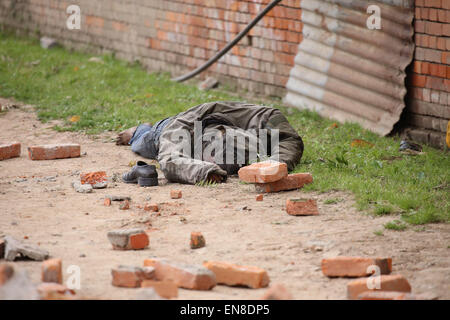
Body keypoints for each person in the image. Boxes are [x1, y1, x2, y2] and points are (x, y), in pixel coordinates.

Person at [117, 101, 304, 185]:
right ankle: (137, 129)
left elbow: (289, 139)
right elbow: (169, 161)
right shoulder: (178, 132)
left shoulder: (265, 120)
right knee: (140, 144)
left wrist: (274, 165)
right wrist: (204, 171)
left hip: (209, 124)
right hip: (164, 129)